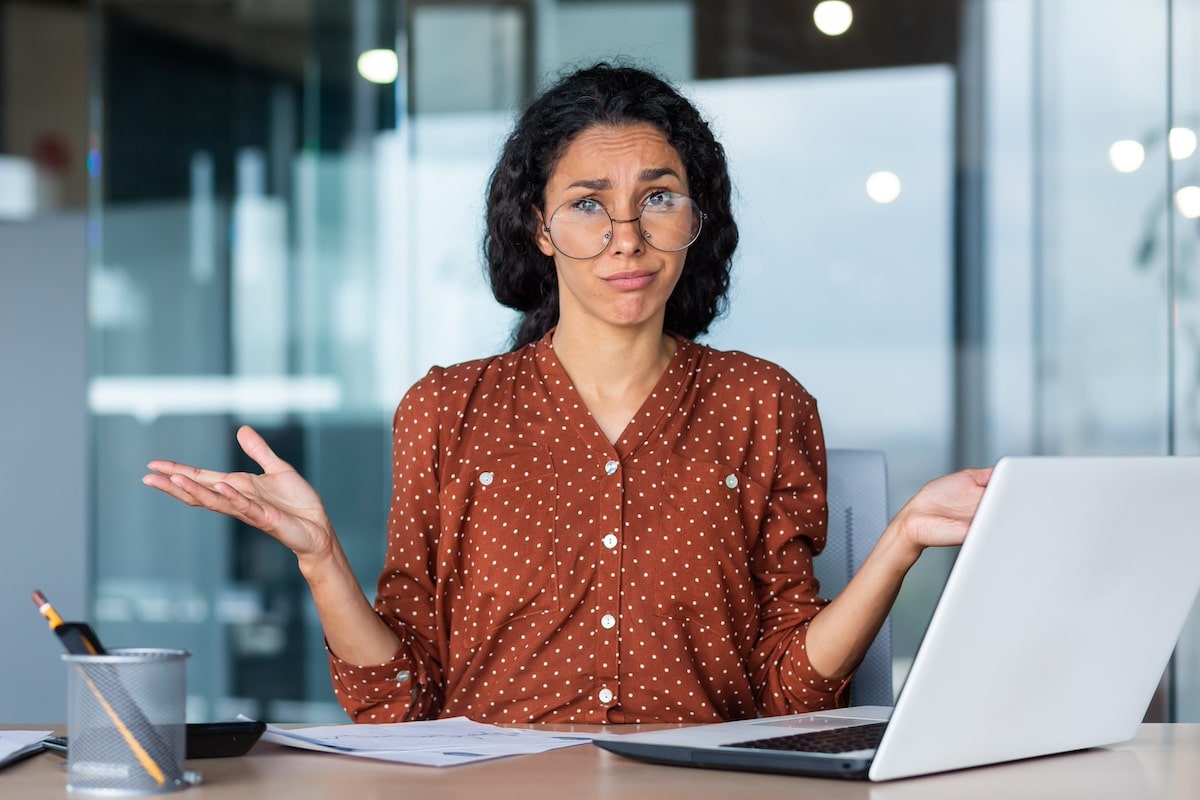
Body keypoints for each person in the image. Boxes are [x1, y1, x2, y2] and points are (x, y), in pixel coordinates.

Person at [143, 62, 991, 725]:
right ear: (540, 229)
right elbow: (398, 700)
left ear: (696, 218)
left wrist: (903, 539)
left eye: (658, 197)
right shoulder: (446, 411)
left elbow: (791, 693)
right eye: (589, 205)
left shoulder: (762, 404)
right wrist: (323, 561)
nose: (628, 238)